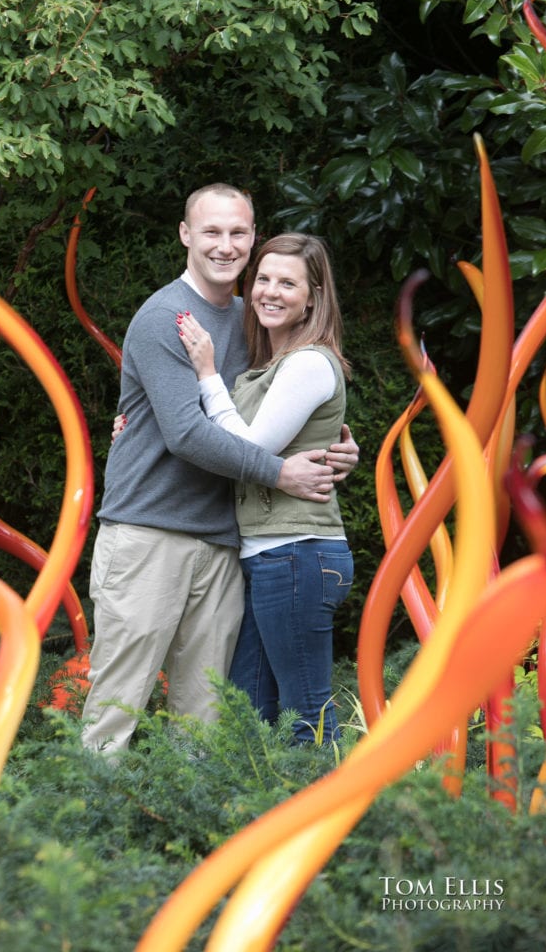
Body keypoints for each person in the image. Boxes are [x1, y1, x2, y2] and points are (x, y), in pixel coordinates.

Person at [81, 185, 358, 755]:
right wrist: (280, 474)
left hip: (224, 543)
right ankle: (82, 839)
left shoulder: (253, 319)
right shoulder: (165, 317)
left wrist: (334, 450)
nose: (225, 246)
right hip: (149, 535)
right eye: (211, 232)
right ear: (186, 235)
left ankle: (192, 842)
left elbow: (270, 416)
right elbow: (186, 433)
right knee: (115, 710)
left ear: (253, 239)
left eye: (237, 233)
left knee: (204, 719)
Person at [176, 232, 353, 743]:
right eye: (264, 279)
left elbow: (249, 449)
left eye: (288, 283)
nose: (270, 292)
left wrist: (207, 373)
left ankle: (335, 817)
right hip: (271, 556)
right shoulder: (273, 365)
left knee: (306, 713)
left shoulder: (307, 362)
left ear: (313, 298)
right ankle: (263, 816)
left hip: (297, 554)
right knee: (251, 711)